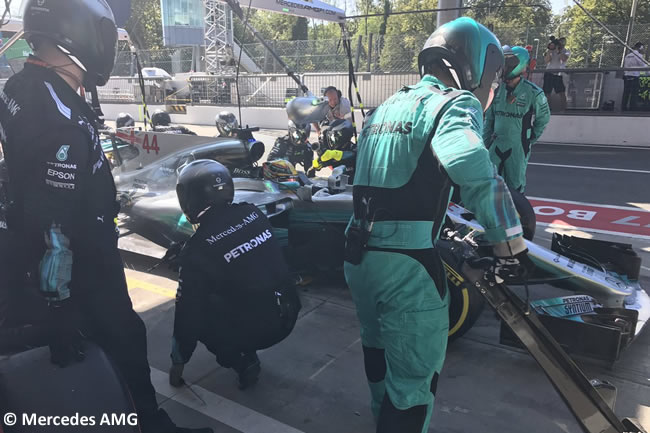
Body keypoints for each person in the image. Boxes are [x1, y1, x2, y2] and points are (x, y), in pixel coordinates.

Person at [0, 1, 211, 432]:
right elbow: (53, 225)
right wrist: (58, 307)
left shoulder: (26, 88)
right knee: (125, 344)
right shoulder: (57, 118)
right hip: (87, 267)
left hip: (64, 260)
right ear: (79, 33)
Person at [343, 17, 532, 433]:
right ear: (473, 65)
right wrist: (511, 245)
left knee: (377, 356)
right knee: (412, 384)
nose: (494, 87)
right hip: (407, 270)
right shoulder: (454, 103)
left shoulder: (387, 106)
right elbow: (469, 164)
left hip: (358, 258)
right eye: (493, 76)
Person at [168, 160, 300, 390]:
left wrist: (177, 364)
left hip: (259, 331)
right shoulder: (252, 213)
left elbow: (186, 317)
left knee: (199, 310)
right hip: (288, 312)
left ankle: (242, 360)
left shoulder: (198, 249)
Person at [484, 46, 550, 240]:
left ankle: (515, 229)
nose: (504, 67)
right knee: (489, 184)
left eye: (508, 63)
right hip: (496, 145)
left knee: (515, 189)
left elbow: (543, 119)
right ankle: (489, 223)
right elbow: (490, 119)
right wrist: (484, 143)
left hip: (517, 147)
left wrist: (529, 140)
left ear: (519, 65)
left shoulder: (533, 93)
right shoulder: (497, 91)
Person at [543, 36, 570, 111]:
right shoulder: (551, 50)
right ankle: (547, 109)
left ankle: (563, 109)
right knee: (547, 92)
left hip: (559, 74)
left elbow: (563, 59)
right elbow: (546, 61)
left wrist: (558, 50)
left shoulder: (566, 51)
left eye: (563, 42)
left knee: (561, 92)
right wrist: (550, 50)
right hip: (549, 72)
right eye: (560, 42)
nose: (561, 44)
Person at [622, 42, 647, 111]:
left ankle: (623, 108)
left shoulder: (628, 56)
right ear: (640, 48)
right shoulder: (638, 55)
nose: (644, 50)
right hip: (634, 76)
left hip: (627, 76)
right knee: (634, 93)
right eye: (643, 48)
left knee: (626, 93)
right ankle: (632, 108)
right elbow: (642, 65)